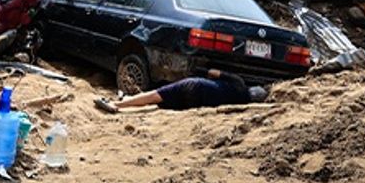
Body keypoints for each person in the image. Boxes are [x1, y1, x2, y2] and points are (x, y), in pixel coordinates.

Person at [94, 68, 267, 113]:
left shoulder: (238, 82)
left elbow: (213, 72)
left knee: (155, 95)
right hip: (195, 103)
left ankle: (116, 105)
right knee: (159, 102)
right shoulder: (242, 103)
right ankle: (126, 102)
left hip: (197, 86)